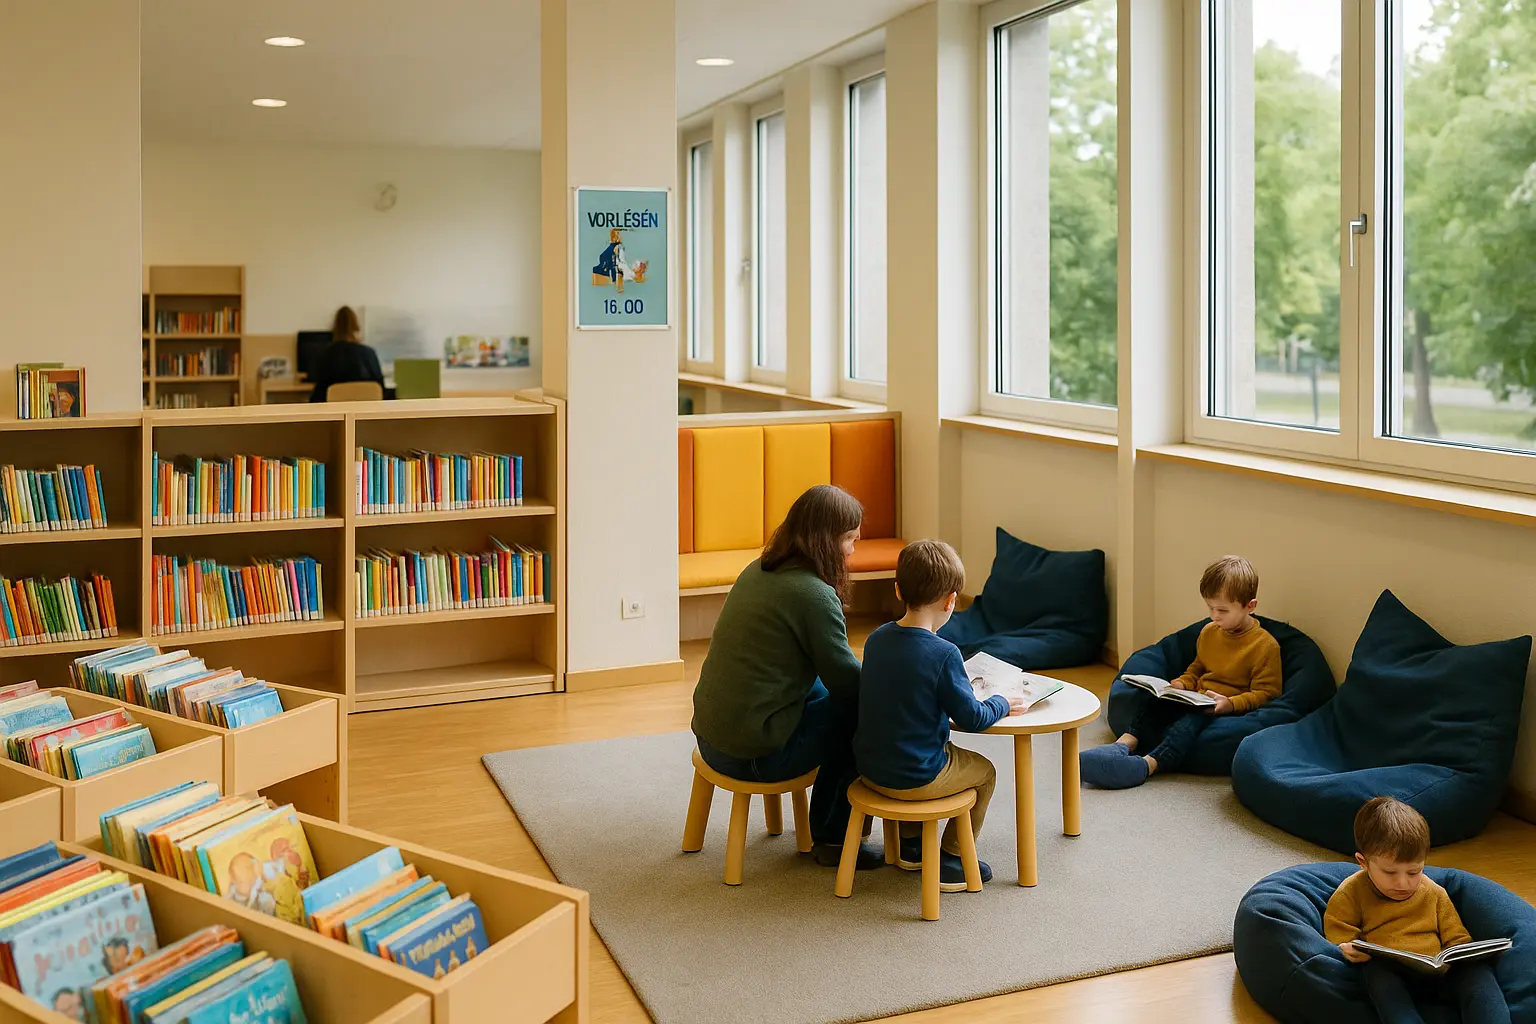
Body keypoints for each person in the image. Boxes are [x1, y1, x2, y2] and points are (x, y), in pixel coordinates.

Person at [691, 484, 881, 870]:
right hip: (753, 757)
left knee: (824, 689)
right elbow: (848, 683)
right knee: (864, 712)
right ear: (826, 541)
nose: (852, 552)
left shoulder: (759, 569)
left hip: (711, 738)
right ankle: (832, 837)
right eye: (849, 541)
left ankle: (836, 822)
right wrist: (901, 685)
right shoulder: (812, 594)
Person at [854, 540, 1026, 890]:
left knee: (909, 742)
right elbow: (972, 717)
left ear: (898, 589)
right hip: (916, 778)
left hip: (870, 770)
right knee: (984, 772)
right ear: (951, 601)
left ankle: (912, 845)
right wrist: (1002, 703)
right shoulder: (944, 653)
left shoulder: (876, 639)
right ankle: (951, 857)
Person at [1079, 554, 1281, 789]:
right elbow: (1197, 667)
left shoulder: (1265, 646)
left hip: (1221, 707)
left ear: (1250, 606)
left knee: (1187, 724)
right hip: (1196, 697)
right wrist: (1181, 684)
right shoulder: (1209, 632)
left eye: (1222, 610)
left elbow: (1268, 692)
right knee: (1155, 704)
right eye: (1210, 608)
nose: (1214, 616)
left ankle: (1148, 765)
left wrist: (1231, 703)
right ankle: (1122, 745)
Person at [1325, 797, 1510, 1024]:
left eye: (1414, 872)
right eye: (1390, 873)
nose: (1403, 883)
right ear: (1363, 862)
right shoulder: (1351, 892)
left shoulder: (1435, 893)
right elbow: (1338, 931)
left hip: (1439, 976)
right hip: (1392, 976)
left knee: (1479, 975)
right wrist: (1348, 948)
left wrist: (1461, 954)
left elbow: (1457, 938)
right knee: (1377, 974)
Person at [308, 305, 386, 401]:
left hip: (334, 412)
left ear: (335, 326)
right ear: (356, 325)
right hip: (365, 411)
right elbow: (380, 386)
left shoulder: (325, 353)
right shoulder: (369, 353)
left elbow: (318, 386)